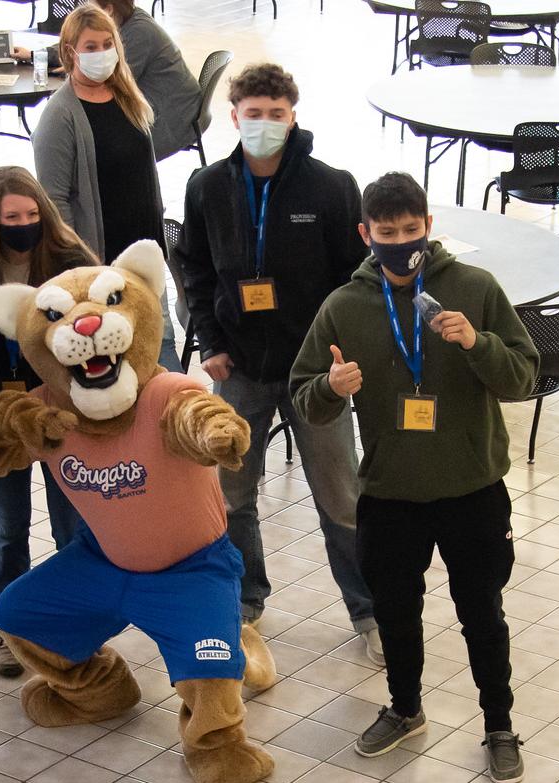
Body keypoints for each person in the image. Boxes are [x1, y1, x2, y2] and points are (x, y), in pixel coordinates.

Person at [290, 172, 537, 783]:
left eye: (410, 230)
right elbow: (304, 398)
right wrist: (330, 387)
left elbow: (523, 379)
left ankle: (499, 725)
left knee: (482, 611)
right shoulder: (345, 307)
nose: (400, 242)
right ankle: (405, 709)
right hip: (390, 493)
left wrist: (477, 343)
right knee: (396, 611)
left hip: (472, 489)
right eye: (386, 233)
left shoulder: (474, 289)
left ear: (429, 227)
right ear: (365, 234)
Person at [175, 62, 379, 664]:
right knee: (231, 493)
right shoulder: (207, 186)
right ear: (234, 116)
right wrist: (209, 341)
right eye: (253, 113)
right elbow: (194, 267)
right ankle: (243, 602)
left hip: (315, 371)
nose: (264, 124)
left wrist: (340, 353)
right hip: (238, 367)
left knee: (342, 494)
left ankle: (369, 612)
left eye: (276, 114)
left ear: (294, 117)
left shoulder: (332, 187)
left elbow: (355, 277)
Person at [0, 167, 99, 677]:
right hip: (0, 419)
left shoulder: (69, 263)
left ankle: (74, 626)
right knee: (9, 529)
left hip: (62, 415)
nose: (23, 225)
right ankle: (10, 631)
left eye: (31, 214)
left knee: (74, 526)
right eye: (10, 218)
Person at [32, 2, 180, 371]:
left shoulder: (128, 97)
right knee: (119, 356)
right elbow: (54, 202)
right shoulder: (60, 116)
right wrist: (80, 264)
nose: (101, 54)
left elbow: (144, 172)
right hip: (99, 260)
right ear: (70, 53)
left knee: (158, 343)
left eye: (106, 44)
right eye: (90, 47)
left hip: (143, 252)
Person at [33, 0, 203, 161]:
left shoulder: (139, 33)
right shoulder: (131, 21)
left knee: (91, 147)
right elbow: (80, 40)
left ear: (108, 9)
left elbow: (109, 82)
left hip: (174, 118)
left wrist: (76, 66)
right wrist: (40, 55)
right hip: (171, 105)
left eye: (91, 4)